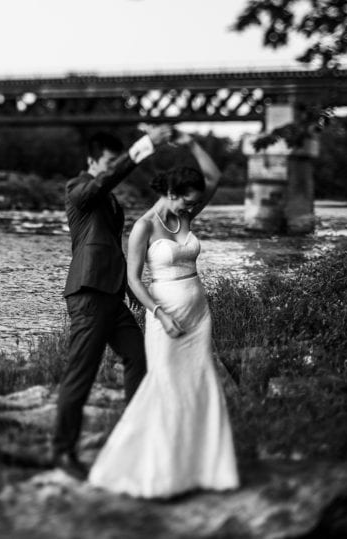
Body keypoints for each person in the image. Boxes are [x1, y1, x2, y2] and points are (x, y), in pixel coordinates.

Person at [87, 130, 239, 498]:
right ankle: (160, 469)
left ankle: (201, 468)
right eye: (186, 202)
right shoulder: (143, 227)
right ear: (170, 195)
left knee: (199, 385)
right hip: (165, 316)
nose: (191, 209)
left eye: (193, 204)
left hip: (199, 313)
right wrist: (158, 313)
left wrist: (190, 143)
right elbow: (132, 279)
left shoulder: (186, 213)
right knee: (167, 385)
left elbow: (215, 178)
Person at [52, 125, 173, 480]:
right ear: (91, 162)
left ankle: (132, 438)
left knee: (139, 356)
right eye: (106, 162)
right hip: (88, 294)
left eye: (112, 163)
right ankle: (63, 452)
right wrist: (145, 146)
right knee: (81, 375)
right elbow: (103, 181)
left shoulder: (106, 198)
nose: (109, 169)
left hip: (111, 294)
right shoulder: (78, 189)